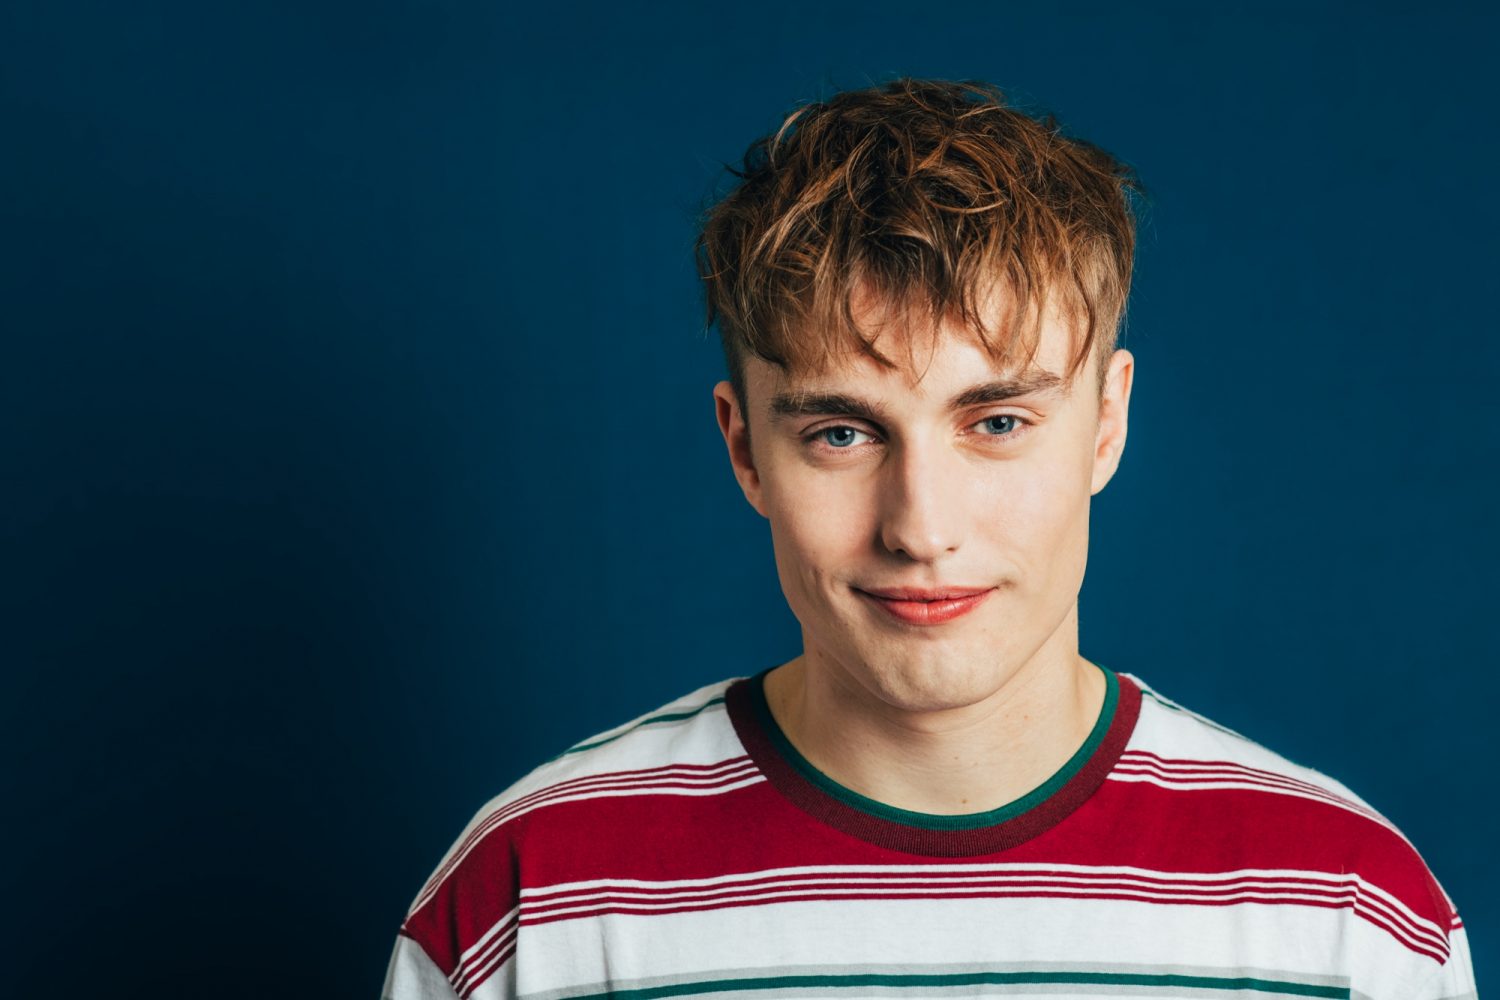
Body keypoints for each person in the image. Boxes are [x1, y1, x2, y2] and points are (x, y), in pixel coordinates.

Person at [381, 77, 1477, 1000]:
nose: (921, 527)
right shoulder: (527, 902)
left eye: (997, 422)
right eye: (843, 432)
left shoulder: (1347, 915)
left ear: (1106, 427)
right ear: (744, 448)